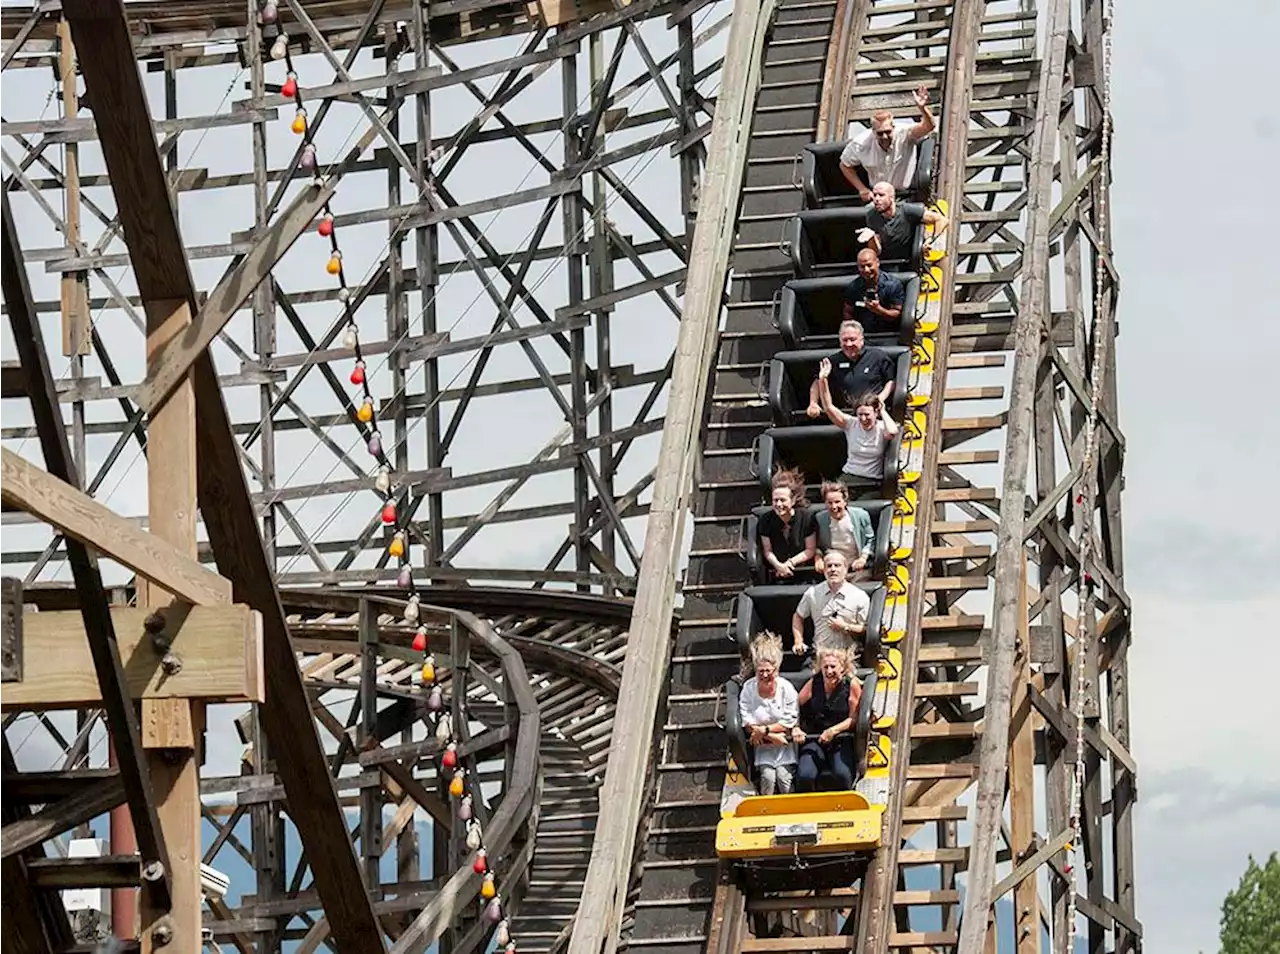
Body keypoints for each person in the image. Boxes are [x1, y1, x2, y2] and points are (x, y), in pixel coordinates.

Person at [839, 85, 936, 201]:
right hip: (878, 197)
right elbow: (845, 165)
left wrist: (922, 108)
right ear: (873, 131)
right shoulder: (860, 143)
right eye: (880, 133)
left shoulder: (904, 134)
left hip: (906, 195)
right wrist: (862, 189)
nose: (884, 137)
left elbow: (929, 126)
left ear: (893, 128)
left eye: (888, 132)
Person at [818, 367, 900, 500]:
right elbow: (828, 407)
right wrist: (823, 380)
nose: (863, 419)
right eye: (860, 414)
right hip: (849, 477)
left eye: (867, 415)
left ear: (875, 413)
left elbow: (892, 432)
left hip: (871, 482)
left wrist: (883, 410)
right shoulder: (851, 424)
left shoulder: (881, 427)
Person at [738, 632, 800, 795]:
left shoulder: (786, 689)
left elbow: (788, 721)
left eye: (768, 671)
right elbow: (747, 722)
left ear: (776, 669)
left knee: (784, 779)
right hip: (763, 746)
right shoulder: (748, 689)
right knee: (768, 777)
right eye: (761, 672)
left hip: (784, 744)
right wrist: (770, 736)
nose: (765, 675)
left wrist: (764, 730)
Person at [792, 647, 862, 792]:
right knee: (805, 775)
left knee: (842, 774)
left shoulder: (851, 685)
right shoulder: (814, 683)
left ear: (842, 667)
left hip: (840, 738)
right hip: (815, 737)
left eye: (833, 667)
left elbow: (853, 718)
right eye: (826, 667)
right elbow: (795, 706)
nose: (829, 671)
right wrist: (796, 726)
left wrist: (833, 731)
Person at [805, 320, 895, 420]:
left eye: (852, 339)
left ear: (861, 339)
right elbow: (818, 381)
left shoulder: (877, 356)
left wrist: (880, 399)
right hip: (845, 417)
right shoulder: (832, 361)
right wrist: (813, 403)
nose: (848, 344)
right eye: (845, 340)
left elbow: (891, 381)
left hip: (873, 414)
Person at [790, 549, 870, 657]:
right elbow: (798, 616)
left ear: (845, 569)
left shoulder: (859, 596)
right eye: (829, 566)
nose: (833, 569)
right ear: (824, 570)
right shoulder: (812, 593)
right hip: (820, 655)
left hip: (848, 655)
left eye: (837, 565)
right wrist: (798, 641)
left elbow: (865, 628)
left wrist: (845, 627)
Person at [856, 180, 949, 264]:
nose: (876, 199)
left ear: (891, 198)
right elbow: (877, 251)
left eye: (881, 195)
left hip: (911, 257)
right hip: (889, 261)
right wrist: (871, 238)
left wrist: (931, 240)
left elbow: (941, 220)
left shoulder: (906, 210)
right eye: (874, 195)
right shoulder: (871, 216)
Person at [756, 468, 816, 580]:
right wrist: (779, 566)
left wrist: (790, 563)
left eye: (783, 500)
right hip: (776, 570)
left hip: (804, 571)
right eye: (775, 500)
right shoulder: (765, 520)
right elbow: (768, 550)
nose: (779, 504)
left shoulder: (807, 517)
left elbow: (810, 549)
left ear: (793, 500)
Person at [813, 480, 874, 580]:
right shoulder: (820, 519)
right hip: (832, 568)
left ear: (845, 501)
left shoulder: (861, 515)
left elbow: (871, 540)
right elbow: (818, 545)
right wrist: (818, 558)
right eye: (830, 503)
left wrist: (863, 558)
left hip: (857, 567)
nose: (834, 507)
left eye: (837, 502)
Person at [842, 247, 905, 336]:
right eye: (862, 267)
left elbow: (897, 313)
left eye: (869, 265)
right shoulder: (853, 287)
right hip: (864, 334)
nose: (866, 270)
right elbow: (848, 311)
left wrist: (879, 310)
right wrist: (852, 331)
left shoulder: (893, 285)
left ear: (877, 263)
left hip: (889, 333)